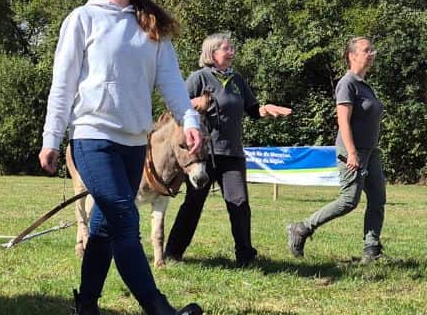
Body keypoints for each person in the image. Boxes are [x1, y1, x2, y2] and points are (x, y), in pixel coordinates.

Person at [39, 0, 204, 315]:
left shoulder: (151, 26)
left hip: (135, 143)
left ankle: (87, 306)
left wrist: (189, 119)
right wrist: (51, 138)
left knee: (104, 227)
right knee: (124, 217)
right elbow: (63, 84)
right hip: (92, 137)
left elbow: (170, 81)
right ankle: (158, 310)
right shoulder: (82, 19)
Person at [164, 34, 292, 267]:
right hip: (203, 155)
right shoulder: (199, 78)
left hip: (232, 153)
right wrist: (195, 104)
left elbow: (252, 110)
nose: (232, 52)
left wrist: (265, 109)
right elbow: (176, 105)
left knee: (239, 203)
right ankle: (172, 253)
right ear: (212, 53)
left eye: (231, 48)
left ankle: (245, 256)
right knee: (193, 204)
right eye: (227, 48)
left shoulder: (237, 80)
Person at [287, 36, 385, 263]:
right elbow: (343, 121)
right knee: (349, 200)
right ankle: (302, 228)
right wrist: (351, 152)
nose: (372, 53)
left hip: (371, 151)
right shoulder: (347, 83)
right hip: (353, 150)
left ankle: (372, 250)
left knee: (378, 199)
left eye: (372, 50)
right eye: (367, 50)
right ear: (353, 56)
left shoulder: (364, 84)